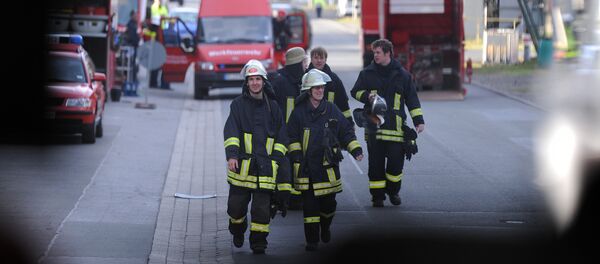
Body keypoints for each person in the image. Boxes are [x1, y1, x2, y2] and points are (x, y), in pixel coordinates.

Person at [287, 69, 363, 251]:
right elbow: (290, 136)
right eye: (316, 88)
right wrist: (297, 155)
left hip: (327, 167)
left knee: (329, 205)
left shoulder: (331, 109)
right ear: (308, 90)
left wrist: (355, 149)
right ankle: (312, 240)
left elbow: (346, 131)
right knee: (310, 208)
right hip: (306, 169)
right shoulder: (298, 113)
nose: (320, 91)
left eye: (321, 87)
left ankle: (326, 225)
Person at [223, 60, 291, 254]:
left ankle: (258, 242)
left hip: (266, 169)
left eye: (257, 79)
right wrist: (232, 156)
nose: (254, 83)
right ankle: (237, 230)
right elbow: (231, 132)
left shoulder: (274, 107)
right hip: (242, 169)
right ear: (247, 83)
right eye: (251, 79)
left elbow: (282, 136)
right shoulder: (237, 105)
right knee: (235, 209)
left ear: (263, 81)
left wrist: (276, 160)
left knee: (261, 211)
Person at [350, 39, 425, 207]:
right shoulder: (367, 74)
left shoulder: (403, 75)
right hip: (374, 128)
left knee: (395, 166)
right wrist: (366, 95)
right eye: (374, 52)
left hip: (396, 129)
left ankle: (393, 191)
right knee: (375, 165)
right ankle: (377, 197)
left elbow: (412, 99)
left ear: (387, 53)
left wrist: (418, 121)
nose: (374, 55)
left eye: (377, 52)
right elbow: (355, 92)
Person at [271, 47, 310, 210]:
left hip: (297, 134)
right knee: (284, 168)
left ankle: (295, 199)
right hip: (283, 135)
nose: (306, 66)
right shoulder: (280, 81)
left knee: (298, 165)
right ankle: (282, 200)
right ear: (297, 64)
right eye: (304, 62)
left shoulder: (300, 81)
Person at [308, 46, 354, 126]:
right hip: (309, 122)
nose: (319, 61)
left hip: (329, 124)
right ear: (311, 59)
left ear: (325, 60)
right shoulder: (305, 78)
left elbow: (343, 104)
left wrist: (349, 123)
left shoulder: (334, 79)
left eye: (321, 58)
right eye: (316, 58)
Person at [149, 0, 168, 88]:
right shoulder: (154, 7)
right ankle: (153, 83)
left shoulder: (162, 8)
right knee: (155, 66)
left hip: (160, 38)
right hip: (157, 43)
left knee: (157, 66)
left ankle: (155, 82)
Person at [124, 10, 140, 83]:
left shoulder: (134, 24)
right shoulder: (131, 25)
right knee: (131, 64)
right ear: (132, 16)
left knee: (133, 64)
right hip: (132, 47)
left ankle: (133, 79)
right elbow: (131, 37)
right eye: (135, 15)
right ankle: (131, 80)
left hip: (134, 46)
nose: (136, 17)